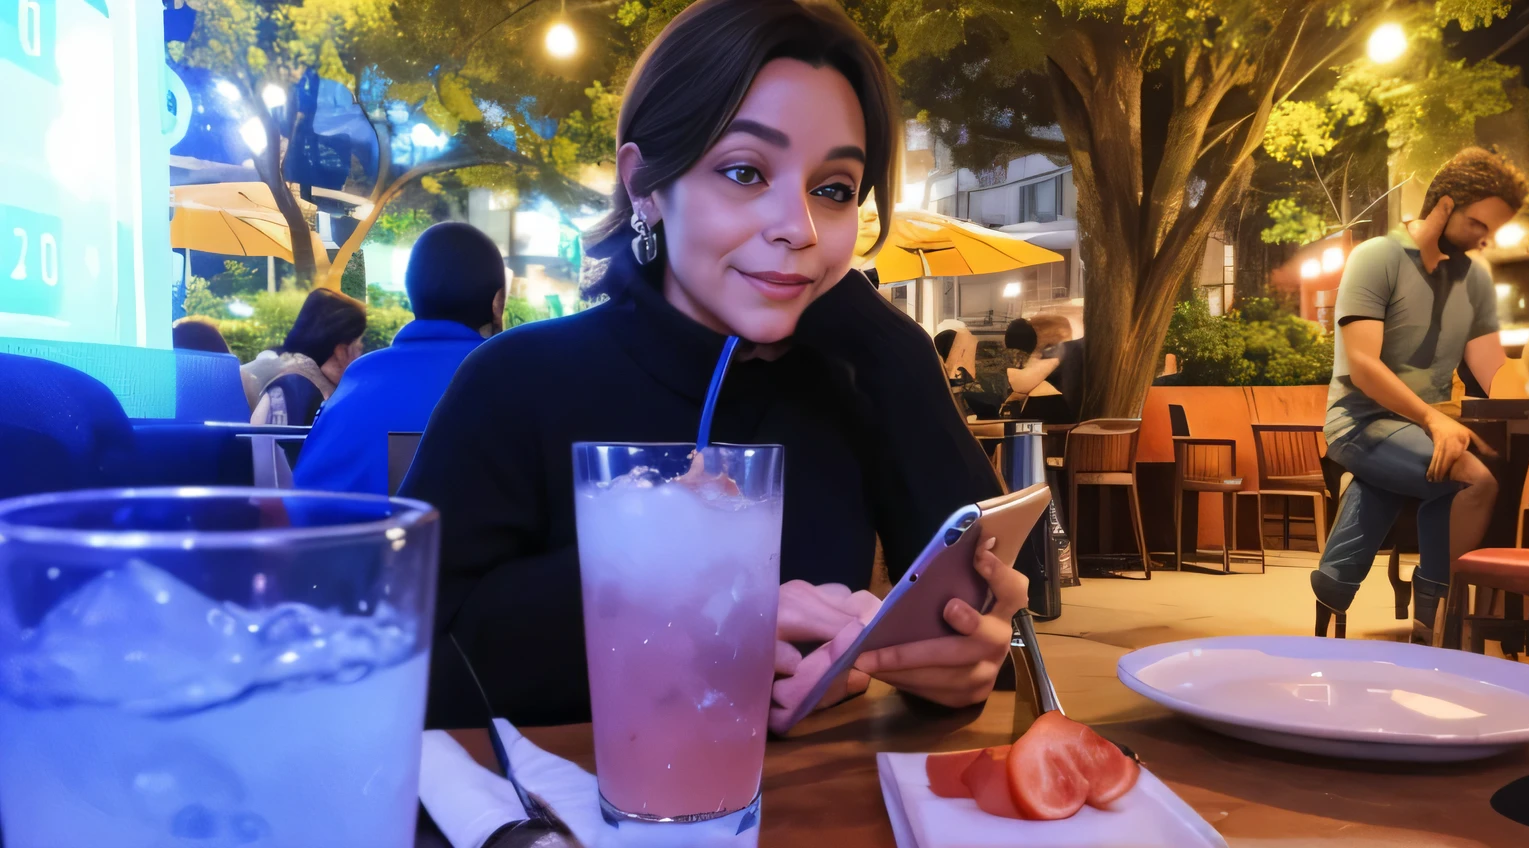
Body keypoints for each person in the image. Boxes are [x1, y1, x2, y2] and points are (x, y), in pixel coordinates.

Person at [402, 0, 1013, 729]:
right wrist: (701, 609)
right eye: (747, 171)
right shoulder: (515, 381)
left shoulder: (860, 382)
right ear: (645, 185)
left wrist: (965, 666)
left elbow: (981, 627)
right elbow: (417, 668)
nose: (800, 227)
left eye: (834, 190)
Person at [1313, 147, 1528, 640]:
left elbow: (1494, 369)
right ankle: (1436, 627)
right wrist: (1435, 421)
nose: (1484, 239)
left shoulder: (1474, 279)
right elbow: (1363, 367)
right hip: (1359, 422)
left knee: (1458, 471)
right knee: (1474, 481)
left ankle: (1335, 583)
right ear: (1446, 206)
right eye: (1479, 224)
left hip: (1425, 430)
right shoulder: (1377, 258)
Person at [293, 223, 507, 494]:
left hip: (336, 534)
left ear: (413, 295)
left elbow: (304, 501)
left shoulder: (359, 378)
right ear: (497, 303)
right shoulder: (513, 379)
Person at [250, 288, 367, 427]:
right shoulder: (312, 398)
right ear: (341, 352)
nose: (360, 356)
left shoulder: (280, 379)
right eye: (358, 347)